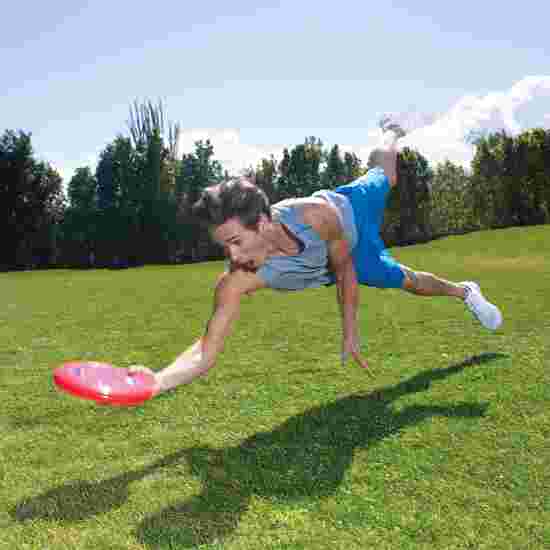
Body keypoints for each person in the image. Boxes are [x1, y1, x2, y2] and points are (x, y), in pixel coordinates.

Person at [129, 134, 503, 396]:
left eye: (235, 242)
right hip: (337, 260)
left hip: (350, 217)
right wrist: (157, 381)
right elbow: (205, 351)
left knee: (385, 175)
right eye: (224, 247)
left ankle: (390, 133)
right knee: (407, 280)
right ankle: (462, 290)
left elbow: (344, 270)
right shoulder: (236, 281)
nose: (232, 257)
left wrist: (350, 331)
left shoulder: (314, 216)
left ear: (262, 223)